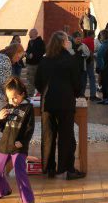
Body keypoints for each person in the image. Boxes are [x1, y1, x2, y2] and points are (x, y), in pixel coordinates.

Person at [35, 30, 84, 180]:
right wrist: (74, 94)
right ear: (64, 43)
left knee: (48, 136)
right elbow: (77, 83)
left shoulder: (44, 60)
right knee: (66, 137)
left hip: (48, 102)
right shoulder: (71, 60)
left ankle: (49, 168)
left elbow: (38, 82)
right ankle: (67, 169)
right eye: (67, 40)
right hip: (65, 102)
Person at [0, 76, 36, 203]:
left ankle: (28, 200)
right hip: (5, 146)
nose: (12, 101)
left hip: (19, 147)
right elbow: (0, 128)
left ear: (22, 94)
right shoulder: (7, 107)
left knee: (19, 171)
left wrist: (22, 142)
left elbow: (29, 128)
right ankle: (3, 190)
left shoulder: (28, 108)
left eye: (15, 97)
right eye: (9, 98)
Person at [24, 28, 45, 96]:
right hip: (30, 64)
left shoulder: (40, 42)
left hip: (37, 64)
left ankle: (40, 94)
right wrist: (27, 54)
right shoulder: (30, 42)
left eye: (30, 33)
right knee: (30, 80)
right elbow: (28, 50)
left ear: (34, 33)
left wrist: (33, 55)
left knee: (38, 80)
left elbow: (42, 52)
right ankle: (30, 94)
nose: (29, 34)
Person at [82, 30, 98, 101]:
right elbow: (91, 52)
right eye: (94, 35)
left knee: (84, 78)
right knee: (92, 78)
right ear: (92, 35)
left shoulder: (84, 40)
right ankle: (93, 95)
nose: (94, 37)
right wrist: (92, 60)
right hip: (89, 61)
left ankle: (82, 94)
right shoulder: (91, 40)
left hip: (83, 61)